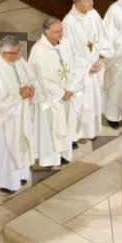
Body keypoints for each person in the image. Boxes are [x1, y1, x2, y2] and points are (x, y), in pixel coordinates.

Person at [28, 16, 86, 166]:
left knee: (68, 124)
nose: (60, 34)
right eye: (56, 32)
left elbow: (79, 63)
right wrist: (61, 93)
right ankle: (51, 158)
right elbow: (43, 80)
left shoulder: (66, 43)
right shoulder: (39, 52)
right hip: (52, 99)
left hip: (68, 94)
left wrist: (71, 88)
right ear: (47, 33)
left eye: (61, 30)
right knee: (51, 130)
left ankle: (65, 152)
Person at [0, 36, 36, 193]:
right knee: (7, 149)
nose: (21, 52)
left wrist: (31, 88)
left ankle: (21, 172)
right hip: (7, 119)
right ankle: (5, 181)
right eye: (17, 51)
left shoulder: (18, 61)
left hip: (21, 113)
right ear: (6, 53)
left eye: (20, 49)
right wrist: (19, 96)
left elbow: (30, 77)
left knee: (22, 140)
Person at [62, 0, 112, 143]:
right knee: (79, 105)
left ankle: (91, 130)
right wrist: (86, 68)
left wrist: (102, 56)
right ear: (77, 3)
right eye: (87, 1)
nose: (92, 3)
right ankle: (74, 136)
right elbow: (68, 52)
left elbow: (103, 36)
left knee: (94, 100)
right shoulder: (68, 23)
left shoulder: (93, 14)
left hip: (96, 67)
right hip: (81, 72)